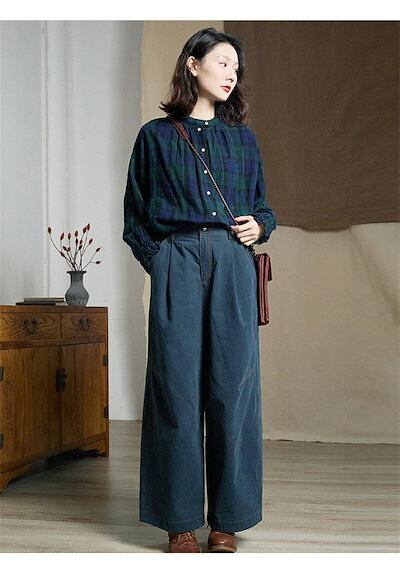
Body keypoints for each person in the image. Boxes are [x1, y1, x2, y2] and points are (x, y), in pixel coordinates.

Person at [122, 27, 277, 553]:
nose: (232, 73)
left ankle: (227, 520)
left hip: (233, 264)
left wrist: (260, 225)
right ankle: (180, 520)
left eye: (237, 66)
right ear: (193, 64)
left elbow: (263, 206)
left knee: (233, 388)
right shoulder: (155, 136)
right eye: (223, 62)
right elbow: (135, 217)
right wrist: (162, 261)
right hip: (178, 260)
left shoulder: (244, 140)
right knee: (175, 389)